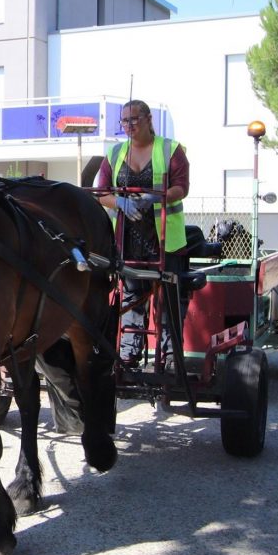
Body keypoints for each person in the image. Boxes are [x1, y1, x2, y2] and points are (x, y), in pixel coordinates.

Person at [95, 100, 190, 369]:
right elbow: (102, 193)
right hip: (128, 242)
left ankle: (171, 357)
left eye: (134, 119)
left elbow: (182, 187)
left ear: (149, 119)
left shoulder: (170, 149)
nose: (129, 126)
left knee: (169, 301)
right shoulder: (114, 154)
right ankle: (129, 354)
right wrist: (120, 203)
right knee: (131, 299)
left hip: (165, 241)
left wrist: (153, 198)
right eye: (124, 121)